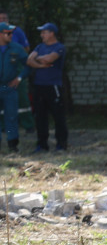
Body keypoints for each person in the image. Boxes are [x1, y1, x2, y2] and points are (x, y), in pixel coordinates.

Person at [26, 22, 67, 153]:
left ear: (51, 33)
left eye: (44, 32)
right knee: (40, 117)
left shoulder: (60, 47)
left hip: (53, 86)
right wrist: (40, 64)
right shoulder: (39, 46)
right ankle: (42, 145)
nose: (41, 35)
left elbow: (50, 59)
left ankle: (61, 145)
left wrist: (39, 58)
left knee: (58, 116)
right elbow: (29, 60)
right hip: (39, 86)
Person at [0, 22, 28, 153]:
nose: (11, 35)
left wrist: (19, 78)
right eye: (8, 33)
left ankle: (12, 144)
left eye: (11, 33)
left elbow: (28, 65)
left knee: (11, 116)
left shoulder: (16, 48)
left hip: (9, 88)